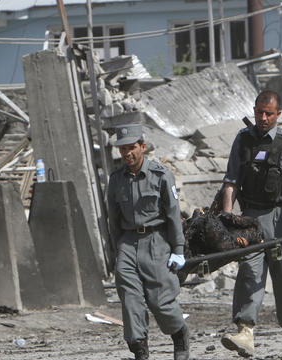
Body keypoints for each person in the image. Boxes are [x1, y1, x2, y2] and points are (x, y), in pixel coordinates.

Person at [220, 90, 282, 358]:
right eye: (259, 112)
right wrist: (227, 219)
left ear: (278, 114)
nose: (263, 117)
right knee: (249, 272)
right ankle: (245, 331)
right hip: (251, 218)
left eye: (269, 113)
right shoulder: (243, 140)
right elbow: (231, 182)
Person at [107, 124, 190, 360]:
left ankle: (179, 333)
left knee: (160, 301)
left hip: (157, 241)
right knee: (130, 300)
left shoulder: (161, 175)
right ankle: (140, 351)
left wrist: (178, 249)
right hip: (128, 242)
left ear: (142, 147)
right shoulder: (116, 180)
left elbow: (174, 215)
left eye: (132, 148)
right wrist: (116, 252)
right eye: (122, 149)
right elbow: (113, 219)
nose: (127, 154)